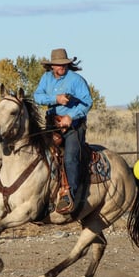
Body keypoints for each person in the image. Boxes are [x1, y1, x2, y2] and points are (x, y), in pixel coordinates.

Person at [34, 48, 93, 213]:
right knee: (42, 155)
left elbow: (87, 102)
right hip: (52, 124)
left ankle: (69, 195)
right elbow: (37, 96)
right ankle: (44, 194)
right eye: (59, 64)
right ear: (52, 65)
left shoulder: (76, 80)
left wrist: (71, 117)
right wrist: (55, 99)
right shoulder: (46, 78)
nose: (62, 67)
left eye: (64, 64)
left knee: (70, 157)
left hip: (73, 126)